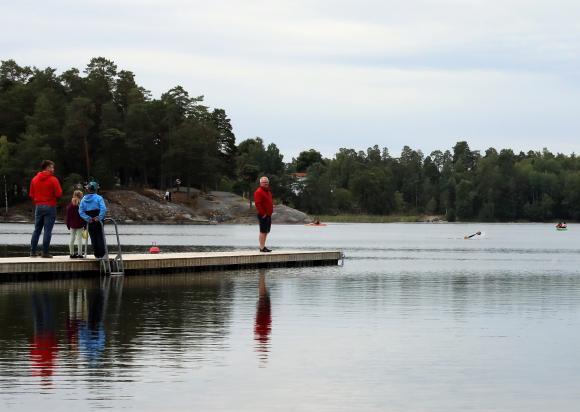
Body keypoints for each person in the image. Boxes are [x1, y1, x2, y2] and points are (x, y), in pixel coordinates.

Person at [29, 160, 63, 258]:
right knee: (47, 231)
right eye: (52, 167)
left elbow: (31, 194)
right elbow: (59, 194)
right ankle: (45, 252)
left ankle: (32, 252)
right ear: (47, 167)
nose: (53, 169)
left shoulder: (34, 179)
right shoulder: (53, 179)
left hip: (38, 206)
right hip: (50, 206)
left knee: (37, 230)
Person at [79, 181, 107, 258]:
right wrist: (99, 217)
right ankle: (102, 254)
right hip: (98, 219)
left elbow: (80, 211)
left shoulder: (84, 199)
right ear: (96, 189)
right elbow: (103, 209)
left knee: (93, 237)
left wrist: (88, 218)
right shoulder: (99, 198)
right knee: (99, 236)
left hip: (89, 220)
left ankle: (96, 254)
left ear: (88, 190)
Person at [254, 176, 273, 252]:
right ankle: (261, 248)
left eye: (266, 182)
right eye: (264, 182)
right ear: (260, 183)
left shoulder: (268, 192)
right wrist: (263, 213)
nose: (265, 183)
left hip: (268, 215)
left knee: (266, 231)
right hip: (263, 215)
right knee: (262, 231)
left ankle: (263, 246)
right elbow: (257, 204)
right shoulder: (258, 192)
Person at [65, 190, 85, 259]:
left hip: (72, 224)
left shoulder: (70, 205)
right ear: (80, 196)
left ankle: (71, 253)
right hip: (80, 224)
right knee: (79, 239)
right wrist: (85, 224)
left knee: (72, 238)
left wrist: (67, 224)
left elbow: (68, 216)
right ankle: (80, 254)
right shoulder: (81, 204)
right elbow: (83, 215)